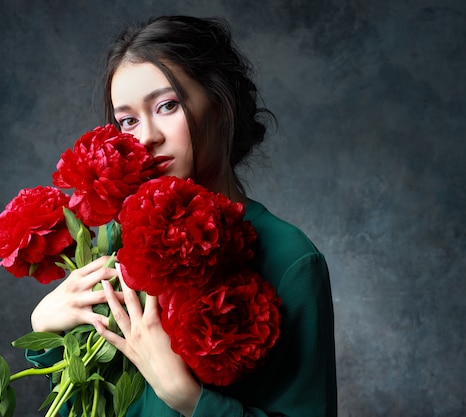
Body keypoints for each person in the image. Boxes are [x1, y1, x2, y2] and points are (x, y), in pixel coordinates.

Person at [28, 15, 337, 417]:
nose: (146, 137)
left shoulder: (292, 260)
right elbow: (89, 404)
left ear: (221, 104)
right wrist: (48, 330)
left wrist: (189, 398)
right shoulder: (115, 245)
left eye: (167, 105)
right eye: (128, 120)